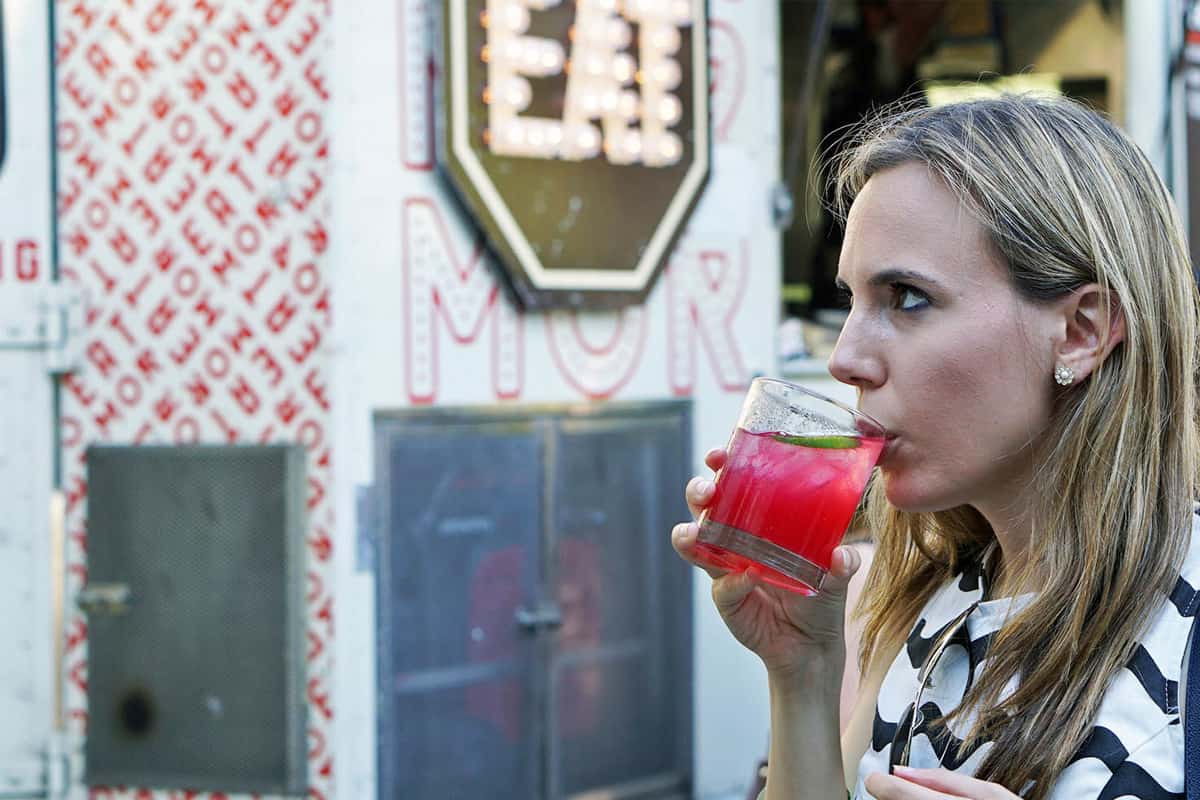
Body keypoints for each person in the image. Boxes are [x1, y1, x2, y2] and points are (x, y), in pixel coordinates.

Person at [673, 93, 1200, 800]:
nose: (845, 358)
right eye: (851, 301)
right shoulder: (932, 592)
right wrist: (800, 673)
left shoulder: (1180, 633)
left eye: (907, 298)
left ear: (1080, 332)